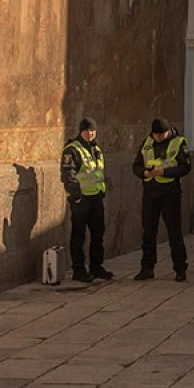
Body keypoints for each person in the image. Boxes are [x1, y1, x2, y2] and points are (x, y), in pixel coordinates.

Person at [132, 117, 191, 281]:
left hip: (170, 193)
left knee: (174, 231)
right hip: (150, 192)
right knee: (148, 232)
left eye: (162, 134)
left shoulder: (178, 142)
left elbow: (185, 167)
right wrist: (143, 173)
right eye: (156, 135)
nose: (159, 137)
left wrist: (165, 173)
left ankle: (180, 268)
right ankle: (147, 267)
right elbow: (136, 165)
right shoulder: (147, 142)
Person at [60, 116, 111, 283]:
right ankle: (79, 270)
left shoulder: (96, 149)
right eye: (87, 130)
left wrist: (101, 192)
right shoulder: (72, 150)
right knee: (78, 235)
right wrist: (76, 196)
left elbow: (98, 172)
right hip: (81, 199)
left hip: (96, 197)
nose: (90, 133)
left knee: (98, 234)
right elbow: (68, 175)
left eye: (93, 130)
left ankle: (96, 267)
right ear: (81, 131)